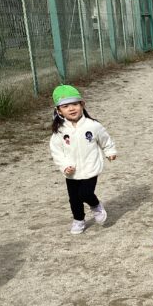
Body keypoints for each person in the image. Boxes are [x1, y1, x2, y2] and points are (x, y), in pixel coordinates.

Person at [49, 84, 117, 234]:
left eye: (75, 104)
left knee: (85, 193)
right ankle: (78, 220)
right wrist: (65, 166)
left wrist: (110, 151)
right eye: (66, 106)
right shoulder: (59, 131)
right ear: (59, 111)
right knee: (74, 199)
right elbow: (57, 151)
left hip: (90, 167)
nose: (71, 109)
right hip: (71, 172)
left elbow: (105, 140)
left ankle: (96, 206)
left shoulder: (93, 125)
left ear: (82, 104)